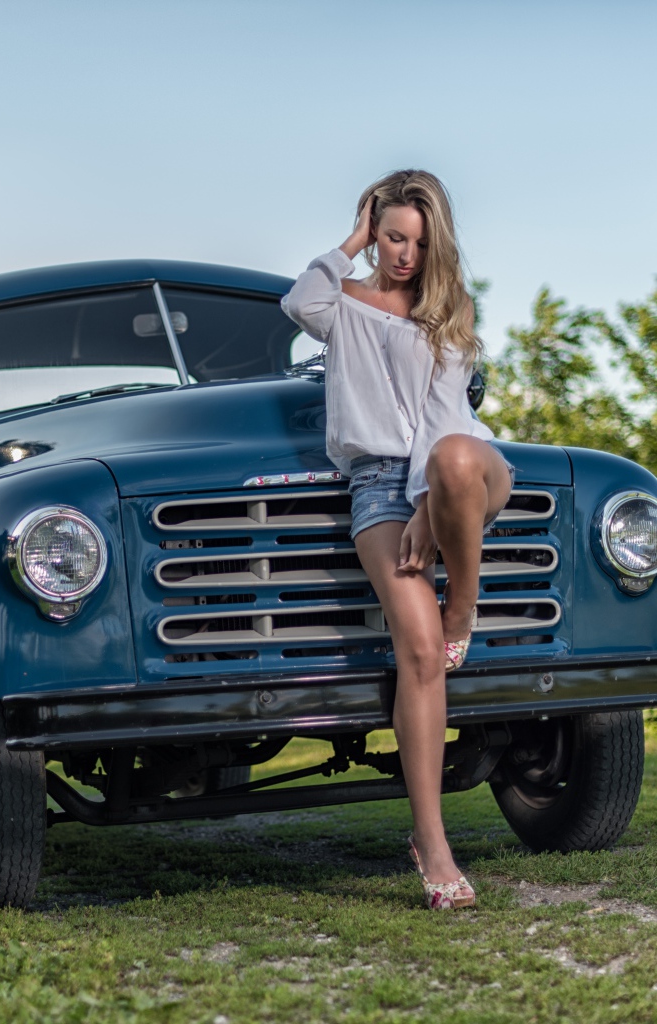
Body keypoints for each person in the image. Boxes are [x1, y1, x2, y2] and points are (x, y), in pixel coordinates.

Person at [281, 169, 513, 910]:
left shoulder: (449, 308)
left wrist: (429, 504)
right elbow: (299, 302)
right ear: (375, 233)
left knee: (454, 458)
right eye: (392, 237)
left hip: (460, 471)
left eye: (418, 241)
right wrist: (350, 239)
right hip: (376, 485)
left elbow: (447, 416)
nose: (405, 255)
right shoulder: (343, 305)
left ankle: (463, 607)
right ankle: (431, 842)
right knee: (418, 652)